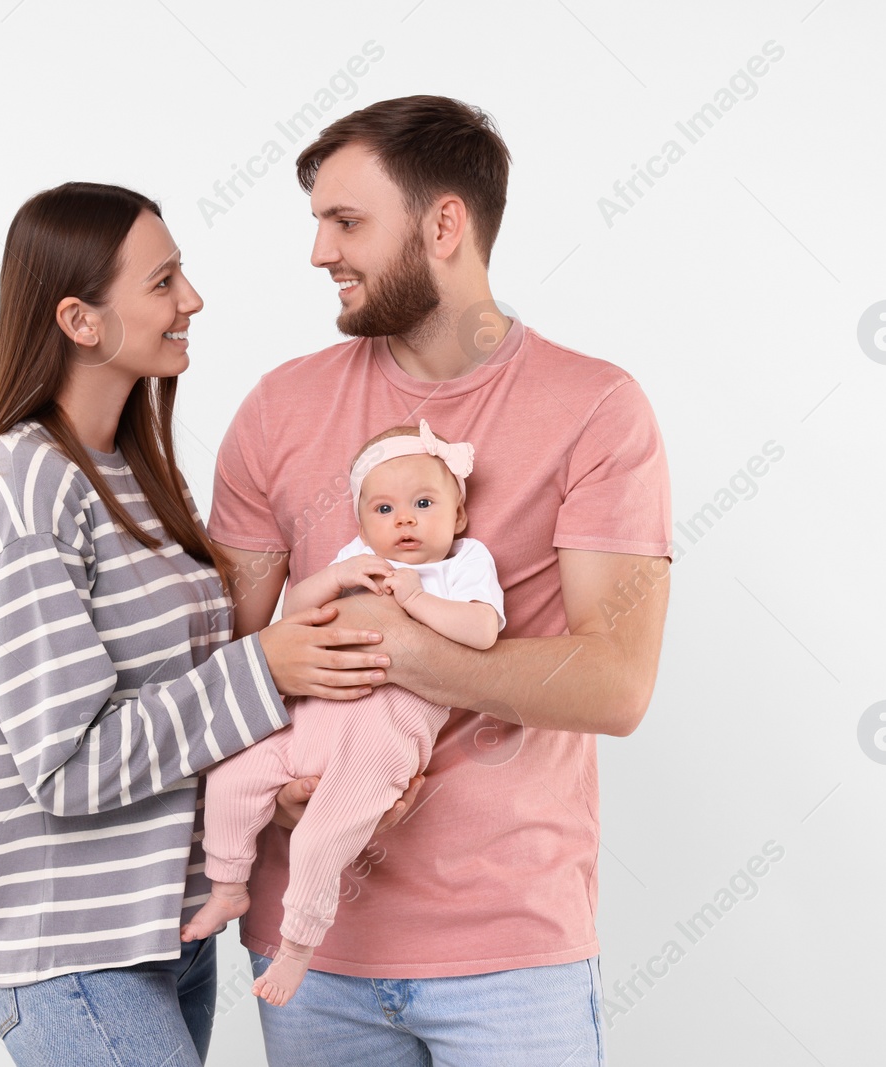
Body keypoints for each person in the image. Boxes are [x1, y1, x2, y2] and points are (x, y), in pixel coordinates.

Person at [208, 96, 674, 1065]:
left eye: (346, 222)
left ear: (443, 224)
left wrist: (396, 642)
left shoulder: (594, 409)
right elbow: (221, 659)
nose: (319, 252)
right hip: (309, 952)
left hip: (510, 951)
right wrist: (285, 766)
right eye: (317, 224)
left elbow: (615, 682)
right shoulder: (278, 408)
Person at [0, 181, 399, 1067]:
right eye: (163, 281)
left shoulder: (136, 475)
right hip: (79, 956)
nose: (192, 300)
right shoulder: (29, 488)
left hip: (168, 937)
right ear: (79, 319)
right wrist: (266, 669)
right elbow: (66, 766)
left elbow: (186, 689)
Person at [180, 420, 505, 1005]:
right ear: (360, 524)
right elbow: (294, 607)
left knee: (316, 842)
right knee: (230, 773)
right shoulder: (357, 558)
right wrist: (334, 576)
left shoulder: (462, 564)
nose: (403, 520)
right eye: (383, 508)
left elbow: (482, 632)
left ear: (457, 516)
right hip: (310, 719)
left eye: (423, 503)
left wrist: (417, 600)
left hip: (379, 739)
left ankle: (298, 947)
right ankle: (228, 884)